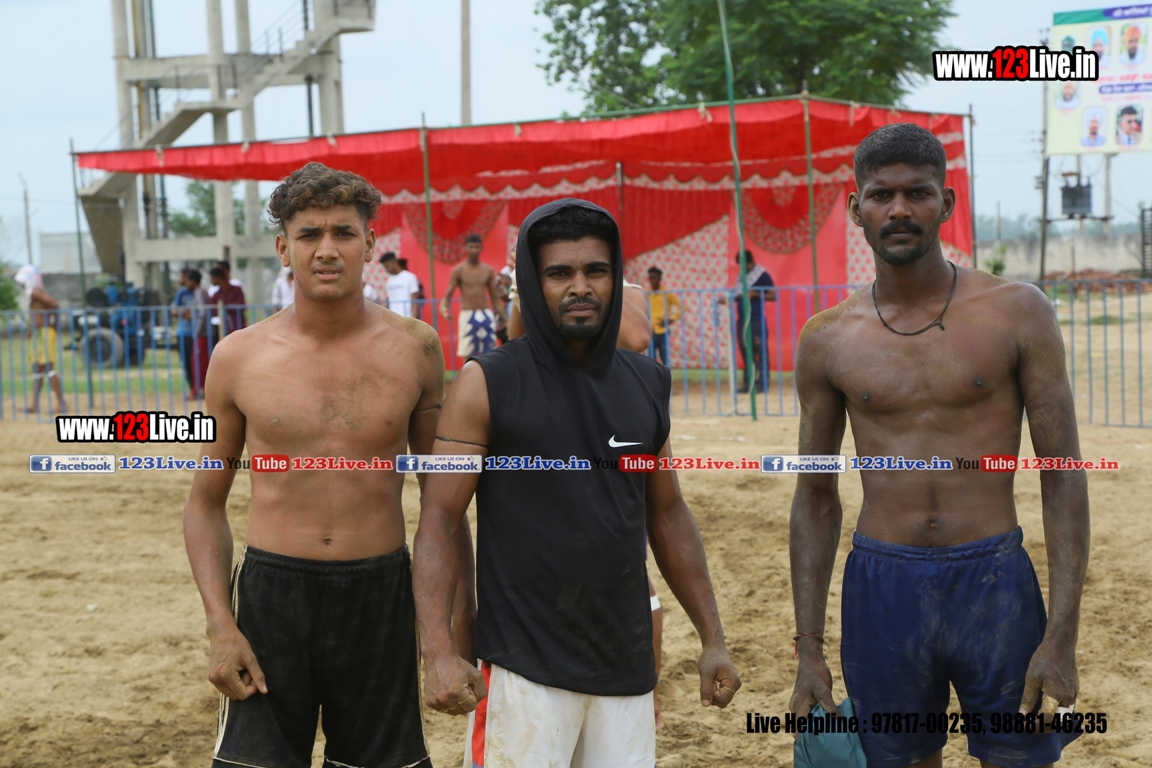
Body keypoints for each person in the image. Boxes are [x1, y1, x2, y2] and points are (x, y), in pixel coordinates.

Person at [789, 123, 1089, 768]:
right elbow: (814, 496)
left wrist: (1062, 634)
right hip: (882, 586)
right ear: (857, 209)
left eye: (918, 193)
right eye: (881, 195)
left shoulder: (1017, 311)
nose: (899, 209)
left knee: (1018, 759)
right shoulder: (827, 339)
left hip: (995, 581)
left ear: (945, 203)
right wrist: (807, 647)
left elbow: (1063, 474)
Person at [413, 199, 740, 768]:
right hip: (523, 671)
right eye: (559, 273)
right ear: (532, 283)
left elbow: (667, 514)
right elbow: (440, 518)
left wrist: (712, 636)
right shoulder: (486, 382)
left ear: (616, 278)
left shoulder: (647, 382)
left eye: (596, 270)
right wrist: (438, 650)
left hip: (626, 668)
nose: (580, 287)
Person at [183, 162, 465, 768]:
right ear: (284, 249)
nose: (327, 249)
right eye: (309, 234)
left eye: (343, 232)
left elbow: (442, 506)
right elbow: (204, 504)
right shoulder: (237, 357)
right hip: (270, 598)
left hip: (380, 594)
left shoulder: (416, 348)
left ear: (370, 243)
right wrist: (220, 625)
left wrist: (444, 641)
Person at [15, 265, 66, 414]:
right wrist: (33, 329)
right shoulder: (33, 293)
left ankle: (62, 404)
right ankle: (34, 405)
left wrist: (53, 324)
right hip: (38, 333)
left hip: (44, 333)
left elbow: (54, 305)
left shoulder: (36, 291)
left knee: (48, 368)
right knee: (37, 368)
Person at [722, 252, 776, 394]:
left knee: (761, 352)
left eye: (744, 264)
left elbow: (773, 295)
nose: (742, 267)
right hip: (742, 320)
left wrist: (756, 294)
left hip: (756, 320)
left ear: (751, 262)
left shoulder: (762, 275)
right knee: (746, 352)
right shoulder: (741, 277)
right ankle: (748, 383)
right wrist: (726, 298)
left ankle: (762, 383)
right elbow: (737, 294)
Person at [440, 233, 500, 359]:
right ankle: (469, 373)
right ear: (465, 248)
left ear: (481, 248)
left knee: (490, 353)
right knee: (468, 353)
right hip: (467, 314)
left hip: (485, 313)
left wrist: (506, 319)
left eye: (476, 247)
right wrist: (444, 309)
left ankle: (488, 373)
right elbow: (447, 295)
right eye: (471, 247)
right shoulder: (458, 270)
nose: (473, 250)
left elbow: (495, 298)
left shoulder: (487, 270)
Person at [174, 268, 211, 398]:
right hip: (197, 333)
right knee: (196, 362)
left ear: (193, 280)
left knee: (199, 363)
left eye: (187, 280)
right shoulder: (197, 292)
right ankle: (197, 390)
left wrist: (199, 327)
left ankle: (199, 391)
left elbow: (202, 312)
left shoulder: (199, 292)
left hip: (201, 333)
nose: (185, 282)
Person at [646, 266, 681, 367]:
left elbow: (683, 306)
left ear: (660, 278)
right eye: (650, 277)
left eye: (654, 277)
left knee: (665, 359)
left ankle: (666, 376)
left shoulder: (666, 292)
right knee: (650, 360)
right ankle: (652, 377)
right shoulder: (647, 293)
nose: (652, 280)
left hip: (663, 330)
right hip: (651, 330)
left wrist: (672, 319)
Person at [208, 266, 247, 337]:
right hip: (225, 328)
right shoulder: (216, 294)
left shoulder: (236, 289)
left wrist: (223, 307)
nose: (211, 280)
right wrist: (231, 305)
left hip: (238, 325)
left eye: (212, 278)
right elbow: (213, 311)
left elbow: (241, 305)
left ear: (219, 278)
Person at [381, 251, 420, 318]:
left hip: (407, 318)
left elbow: (415, 301)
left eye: (387, 266)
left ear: (394, 262)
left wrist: (414, 320)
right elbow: (388, 300)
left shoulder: (410, 277)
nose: (386, 269)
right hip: (393, 319)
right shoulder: (390, 281)